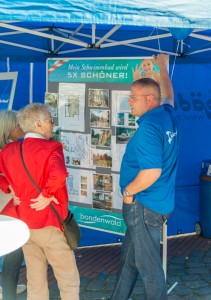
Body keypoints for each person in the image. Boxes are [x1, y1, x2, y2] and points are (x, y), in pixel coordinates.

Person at [111, 54, 179, 300]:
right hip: (158, 203)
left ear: (150, 99)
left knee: (149, 269)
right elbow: (169, 94)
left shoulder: (149, 127)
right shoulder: (166, 114)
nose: (129, 101)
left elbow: (151, 172)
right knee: (129, 260)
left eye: (133, 97)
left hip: (144, 206)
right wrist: (161, 67)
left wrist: (128, 193)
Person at [0, 104, 80, 300]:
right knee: (67, 277)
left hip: (23, 222)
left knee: (35, 278)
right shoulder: (52, 147)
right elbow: (59, 174)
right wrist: (47, 194)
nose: (53, 124)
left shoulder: (9, 149)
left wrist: (9, 188)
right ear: (37, 124)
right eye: (50, 120)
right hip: (48, 222)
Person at [0, 110, 26, 300]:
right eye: (18, 125)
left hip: (9, 207)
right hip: (8, 209)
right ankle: (7, 293)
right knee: (13, 254)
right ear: (8, 129)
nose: (22, 128)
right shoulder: (8, 151)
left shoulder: (11, 148)